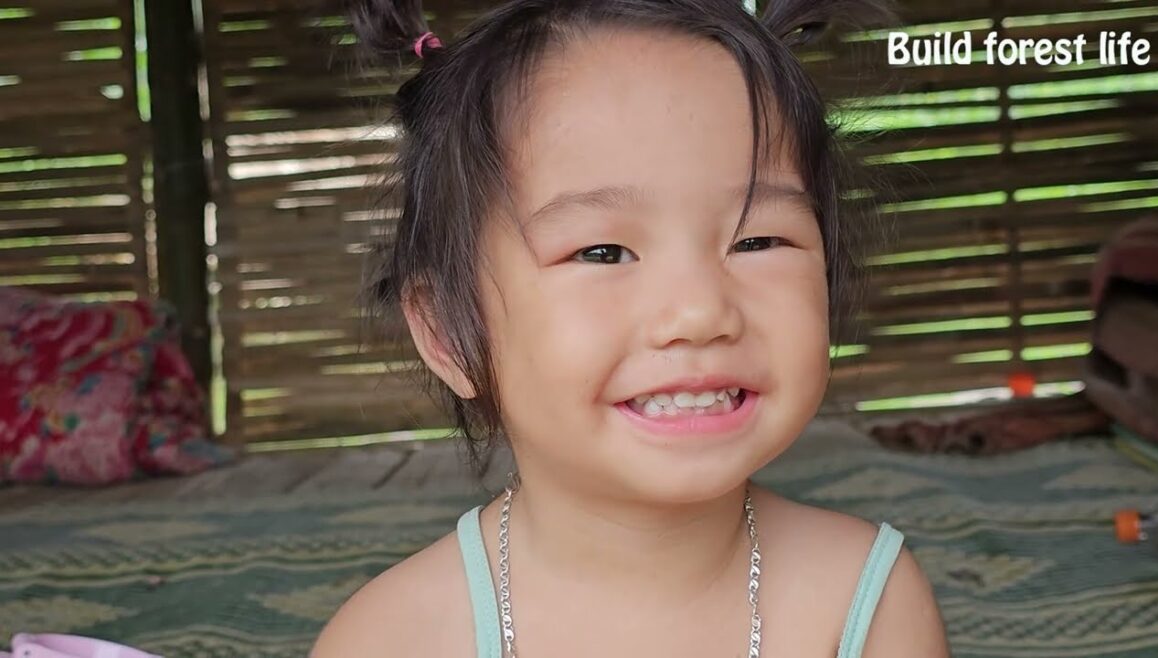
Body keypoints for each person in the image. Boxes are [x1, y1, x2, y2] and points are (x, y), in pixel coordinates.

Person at [314, 0, 950, 655]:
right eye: (603, 253)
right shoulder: (391, 638)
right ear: (449, 330)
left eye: (758, 240)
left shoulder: (865, 605)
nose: (701, 312)